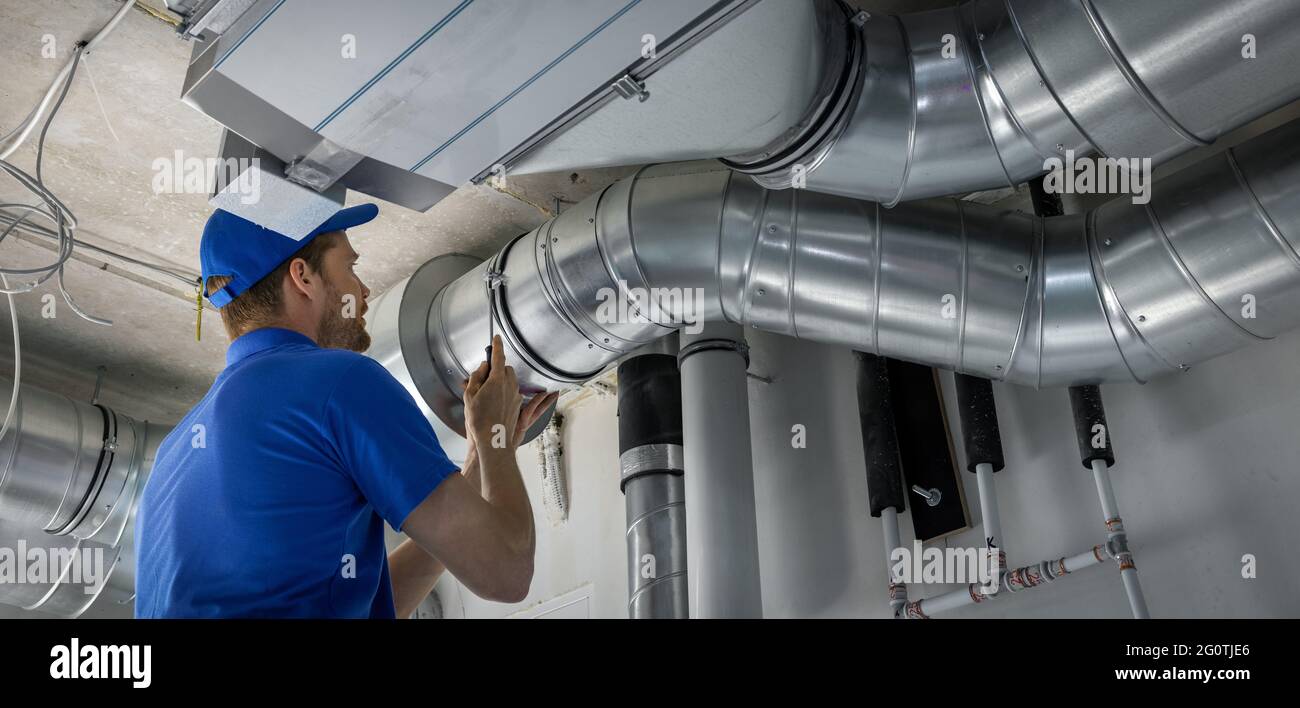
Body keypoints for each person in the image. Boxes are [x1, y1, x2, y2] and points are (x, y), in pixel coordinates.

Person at [135, 204, 556, 618]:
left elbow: (363, 600)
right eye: (349, 267)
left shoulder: (173, 455)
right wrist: (497, 443)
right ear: (303, 277)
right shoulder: (339, 382)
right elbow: (507, 572)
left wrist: (479, 463)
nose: (364, 290)